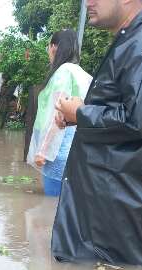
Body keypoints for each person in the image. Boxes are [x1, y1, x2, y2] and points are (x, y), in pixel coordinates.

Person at [51, 0, 142, 265]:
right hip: (106, 208)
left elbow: (138, 120)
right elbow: (123, 112)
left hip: (119, 216)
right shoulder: (135, 39)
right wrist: (77, 116)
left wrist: (81, 114)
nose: (87, 3)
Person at [26, 30, 92, 197]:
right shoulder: (79, 73)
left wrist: (43, 151)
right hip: (76, 149)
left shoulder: (63, 73)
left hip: (58, 151)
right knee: (66, 207)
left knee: (52, 208)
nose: (48, 50)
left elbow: (58, 114)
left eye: (48, 46)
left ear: (54, 47)